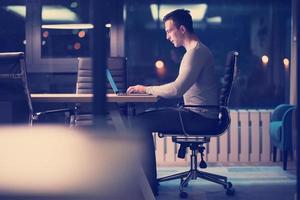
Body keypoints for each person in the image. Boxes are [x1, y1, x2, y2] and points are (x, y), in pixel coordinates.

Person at [126, 9, 219, 196]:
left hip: (199, 117)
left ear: (182, 29)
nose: (167, 36)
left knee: (140, 121)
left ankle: (147, 185)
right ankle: (146, 181)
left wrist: (146, 89)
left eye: (169, 31)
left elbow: (177, 89)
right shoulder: (196, 52)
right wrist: (155, 92)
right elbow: (179, 87)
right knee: (142, 119)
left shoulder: (195, 53)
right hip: (198, 113)